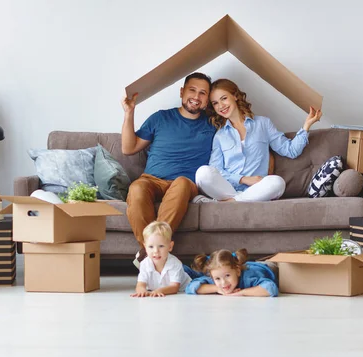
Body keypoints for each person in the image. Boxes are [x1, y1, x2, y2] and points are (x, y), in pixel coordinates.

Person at [121, 73, 216, 265]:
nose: (196, 97)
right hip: (151, 180)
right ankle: (153, 255)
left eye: (202, 93)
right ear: (182, 92)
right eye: (192, 90)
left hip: (185, 183)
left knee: (181, 183)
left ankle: (148, 257)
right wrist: (129, 112)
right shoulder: (160, 118)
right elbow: (128, 148)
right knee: (137, 188)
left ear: (208, 99)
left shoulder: (213, 124)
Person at [193, 78, 322, 203]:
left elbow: (291, 150)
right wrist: (243, 179)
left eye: (224, 98)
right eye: (215, 103)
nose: (221, 106)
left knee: (278, 182)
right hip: (227, 189)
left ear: (235, 96)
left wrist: (306, 126)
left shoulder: (263, 124)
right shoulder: (219, 136)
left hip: (257, 189)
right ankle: (238, 199)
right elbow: (217, 169)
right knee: (203, 173)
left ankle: (230, 202)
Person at [131, 221, 191, 297]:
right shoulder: (144, 264)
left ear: (170, 246)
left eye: (161, 246)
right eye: (151, 247)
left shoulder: (175, 263)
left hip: (183, 286)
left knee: (198, 278)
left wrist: (159, 290)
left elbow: (174, 287)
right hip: (158, 288)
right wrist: (141, 290)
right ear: (145, 247)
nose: (156, 251)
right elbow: (140, 284)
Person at [185, 248, 278, 297]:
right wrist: (217, 289)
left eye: (227, 275)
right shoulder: (215, 279)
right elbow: (190, 287)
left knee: (274, 265)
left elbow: (271, 288)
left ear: (237, 271)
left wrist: (242, 292)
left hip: (264, 267)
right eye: (217, 278)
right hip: (244, 265)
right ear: (212, 277)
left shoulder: (249, 278)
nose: (223, 282)